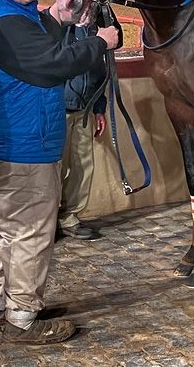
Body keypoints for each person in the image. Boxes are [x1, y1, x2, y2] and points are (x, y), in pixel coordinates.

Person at [0, 0, 120, 342]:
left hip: (7, 144)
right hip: (24, 146)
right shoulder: (5, 22)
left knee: (4, 228)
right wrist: (100, 42)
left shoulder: (3, 13)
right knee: (33, 232)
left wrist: (56, 15)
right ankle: (22, 317)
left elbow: (36, 40)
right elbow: (53, 64)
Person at [58, 23, 108, 241]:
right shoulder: (60, 27)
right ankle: (48, 219)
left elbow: (99, 72)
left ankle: (69, 217)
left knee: (83, 166)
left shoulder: (93, 30)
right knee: (55, 168)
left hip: (85, 109)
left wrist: (99, 108)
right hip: (59, 110)